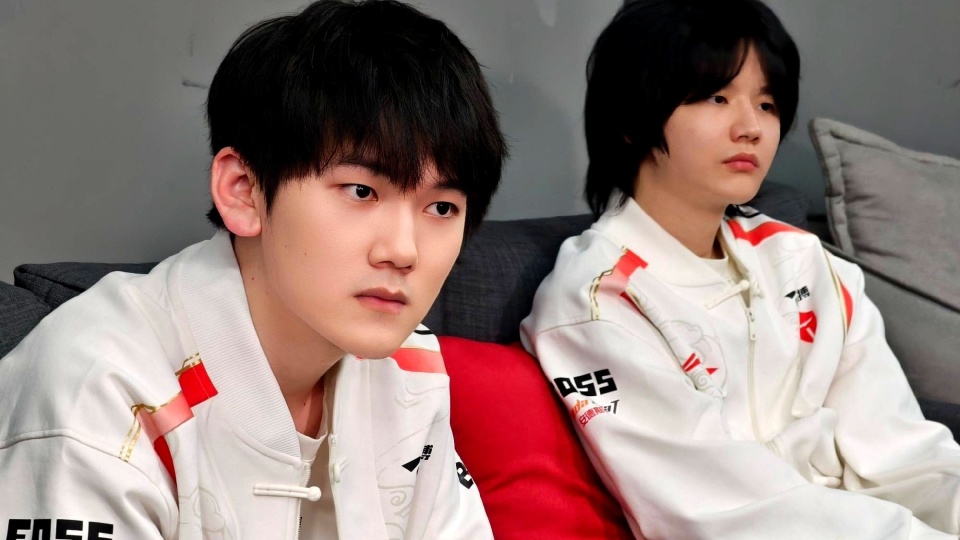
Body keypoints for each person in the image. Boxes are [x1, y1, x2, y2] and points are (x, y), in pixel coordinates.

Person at [0, 1, 506, 538]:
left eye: (441, 207)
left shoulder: (409, 362)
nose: (404, 251)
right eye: (361, 191)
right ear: (243, 192)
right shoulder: (102, 389)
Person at [520, 0, 960, 538]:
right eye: (717, 97)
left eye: (767, 104)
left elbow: (908, 455)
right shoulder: (596, 302)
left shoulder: (803, 260)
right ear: (631, 120)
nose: (751, 127)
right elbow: (727, 513)